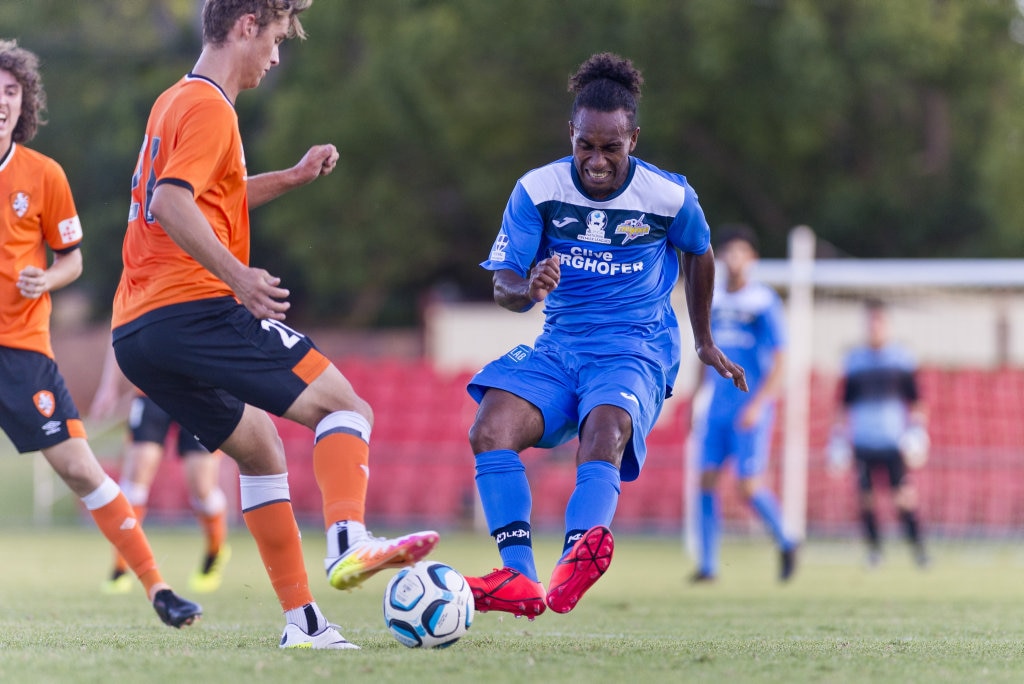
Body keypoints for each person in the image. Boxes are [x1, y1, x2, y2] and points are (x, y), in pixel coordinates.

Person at [110, 0, 437, 649]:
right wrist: (239, 277)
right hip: (192, 308)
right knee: (347, 408)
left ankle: (304, 624)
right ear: (245, 26)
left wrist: (288, 177)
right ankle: (349, 541)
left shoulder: (175, 101)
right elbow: (170, 202)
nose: (277, 55)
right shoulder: (210, 108)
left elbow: (202, 194)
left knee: (260, 449)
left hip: (137, 331)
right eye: (278, 38)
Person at [464, 52, 746, 619]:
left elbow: (701, 251)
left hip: (636, 347)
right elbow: (504, 286)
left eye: (610, 148)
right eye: (585, 146)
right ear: (571, 133)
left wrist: (703, 337)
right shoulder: (537, 191)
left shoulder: (668, 198)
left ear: (633, 139)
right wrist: (529, 289)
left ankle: (575, 561)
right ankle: (518, 580)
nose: (596, 161)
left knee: (605, 430)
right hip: (561, 347)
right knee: (489, 428)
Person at [0, 38, 201, 628]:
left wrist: (47, 278)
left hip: (22, 350)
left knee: (82, 468)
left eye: (11, 92)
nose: (2, 102)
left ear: (24, 103)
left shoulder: (43, 175)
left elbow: (74, 259)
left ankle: (158, 588)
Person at [688, 224, 797, 583]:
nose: (734, 260)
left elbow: (780, 360)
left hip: (748, 409)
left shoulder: (763, 302)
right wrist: (694, 400)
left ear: (752, 259)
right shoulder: (711, 298)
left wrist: (759, 404)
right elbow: (702, 352)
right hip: (716, 408)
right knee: (705, 480)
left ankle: (786, 540)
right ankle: (708, 566)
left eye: (741, 253)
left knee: (747, 487)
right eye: (728, 252)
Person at [90, 346, 231, 595]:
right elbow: (119, 327)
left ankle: (215, 550)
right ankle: (120, 567)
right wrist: (108, 385)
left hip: (200, 389)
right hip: (151, 388)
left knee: (202, 487)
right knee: (135, 476)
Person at [834, 298, 929, 568]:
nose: (874, 328)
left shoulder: (901, 358)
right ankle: (875, 552)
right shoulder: (855, 361)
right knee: (866, 499)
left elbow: (917, 400)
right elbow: (844, 403)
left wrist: (917, 431)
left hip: (893, 440)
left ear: (887, 326)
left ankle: (918, 550)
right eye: (870, 323)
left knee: (904, 497)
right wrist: (838, 437)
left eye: (879, 323)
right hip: (863, 440)